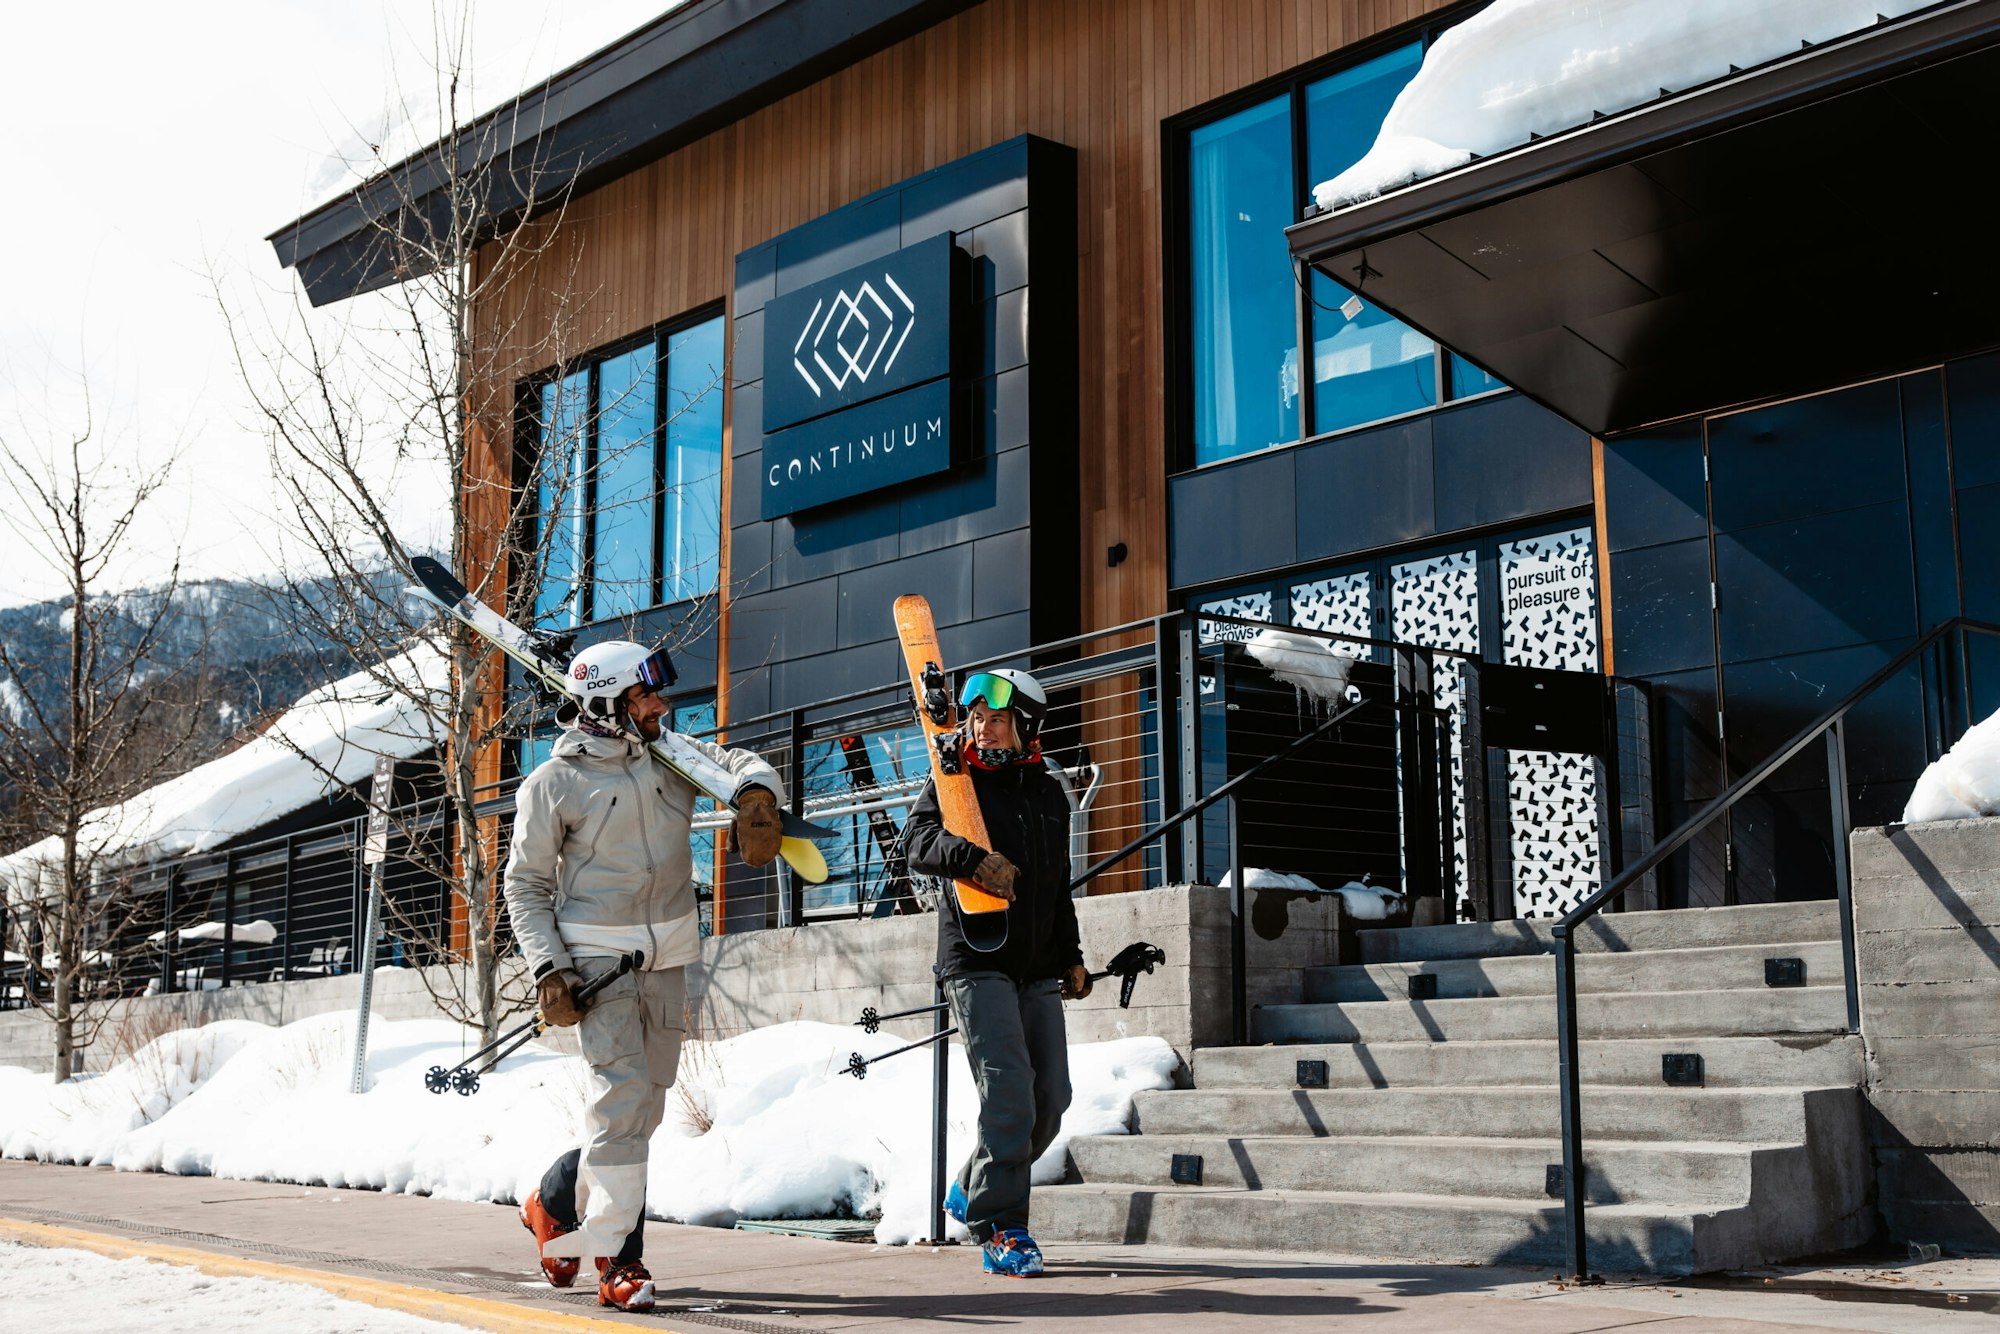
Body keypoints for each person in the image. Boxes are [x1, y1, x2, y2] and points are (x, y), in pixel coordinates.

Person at [504, 638, 786, 1312]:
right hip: (597, 969)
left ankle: (551, 1198)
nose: (662, 705)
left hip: (669, 960)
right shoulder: (554, 784)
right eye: (646, 695)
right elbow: (524, 886)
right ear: (606, 705)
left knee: (641, 1109)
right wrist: (550, 969)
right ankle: (618, 1262)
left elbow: (741, 764)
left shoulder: (670, 757)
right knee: (623, 1101)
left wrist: (756, 796)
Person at [903, 667, 1088, 1279]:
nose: (985, 728)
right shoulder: (955, 782)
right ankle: (1003, 1228)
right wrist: (975, 861)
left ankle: (975, 1185)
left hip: (1036, 963)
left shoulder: (1047, 793)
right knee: (1008, 1093)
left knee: (1050, 1097)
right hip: (976, 958)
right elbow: (917, 842)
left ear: (1027, 726)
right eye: (978, 717)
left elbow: (1057, 887)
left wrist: (1072, 955)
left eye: (999, 719)